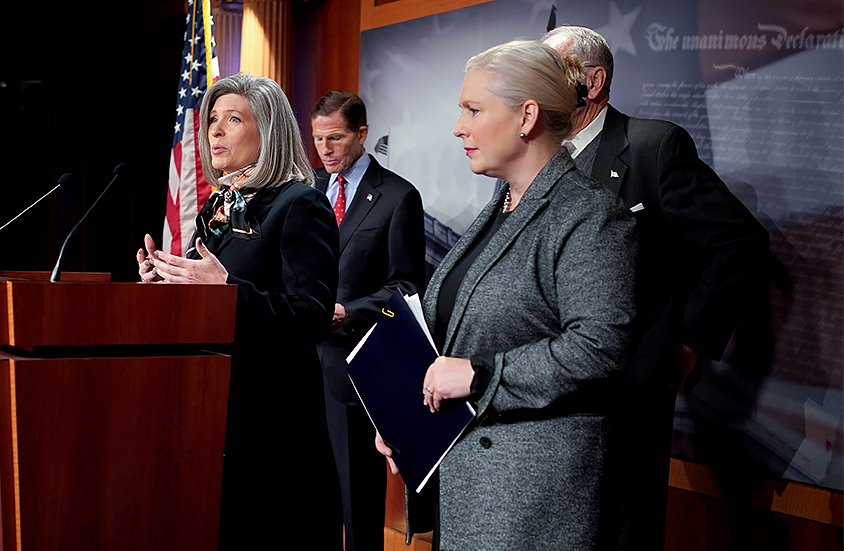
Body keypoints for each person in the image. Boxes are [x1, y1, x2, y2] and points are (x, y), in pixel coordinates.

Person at [377, 40, 637, 549]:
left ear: (527, 116)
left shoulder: (589, 216)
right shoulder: (500, 209)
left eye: (473, 109)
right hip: (467, 486)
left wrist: (480, 374)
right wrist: (407, 417)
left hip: (531, 501)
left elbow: (600, 347)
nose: (459, 127)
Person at [541, 26, 770, 550]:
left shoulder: (653, 146)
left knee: (623, 531)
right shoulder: (536, 158)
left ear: (592, 81)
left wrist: (687, 341)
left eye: (548, 70)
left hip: (629, 388)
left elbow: (737, 242)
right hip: (551, 385)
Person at [136, 73, 341, 549]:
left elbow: (311, 313)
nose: (216, 131)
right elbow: (203, 296)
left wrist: (228, 287)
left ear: (268, 132)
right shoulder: (218, 208)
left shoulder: (300, 204)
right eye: (212, 120)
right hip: (212, 409)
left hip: (272, 423)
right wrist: (168, 281)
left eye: (233, 119)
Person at [310, 90, 426, 551]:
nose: (325, 149)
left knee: (357, 498)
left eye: (335, 138)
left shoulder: (399, 197)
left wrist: (348, 313)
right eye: (318, 139)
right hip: (300, 364)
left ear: (361, 135)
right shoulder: (307, 190)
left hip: (353, 368)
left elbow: (406, 288)